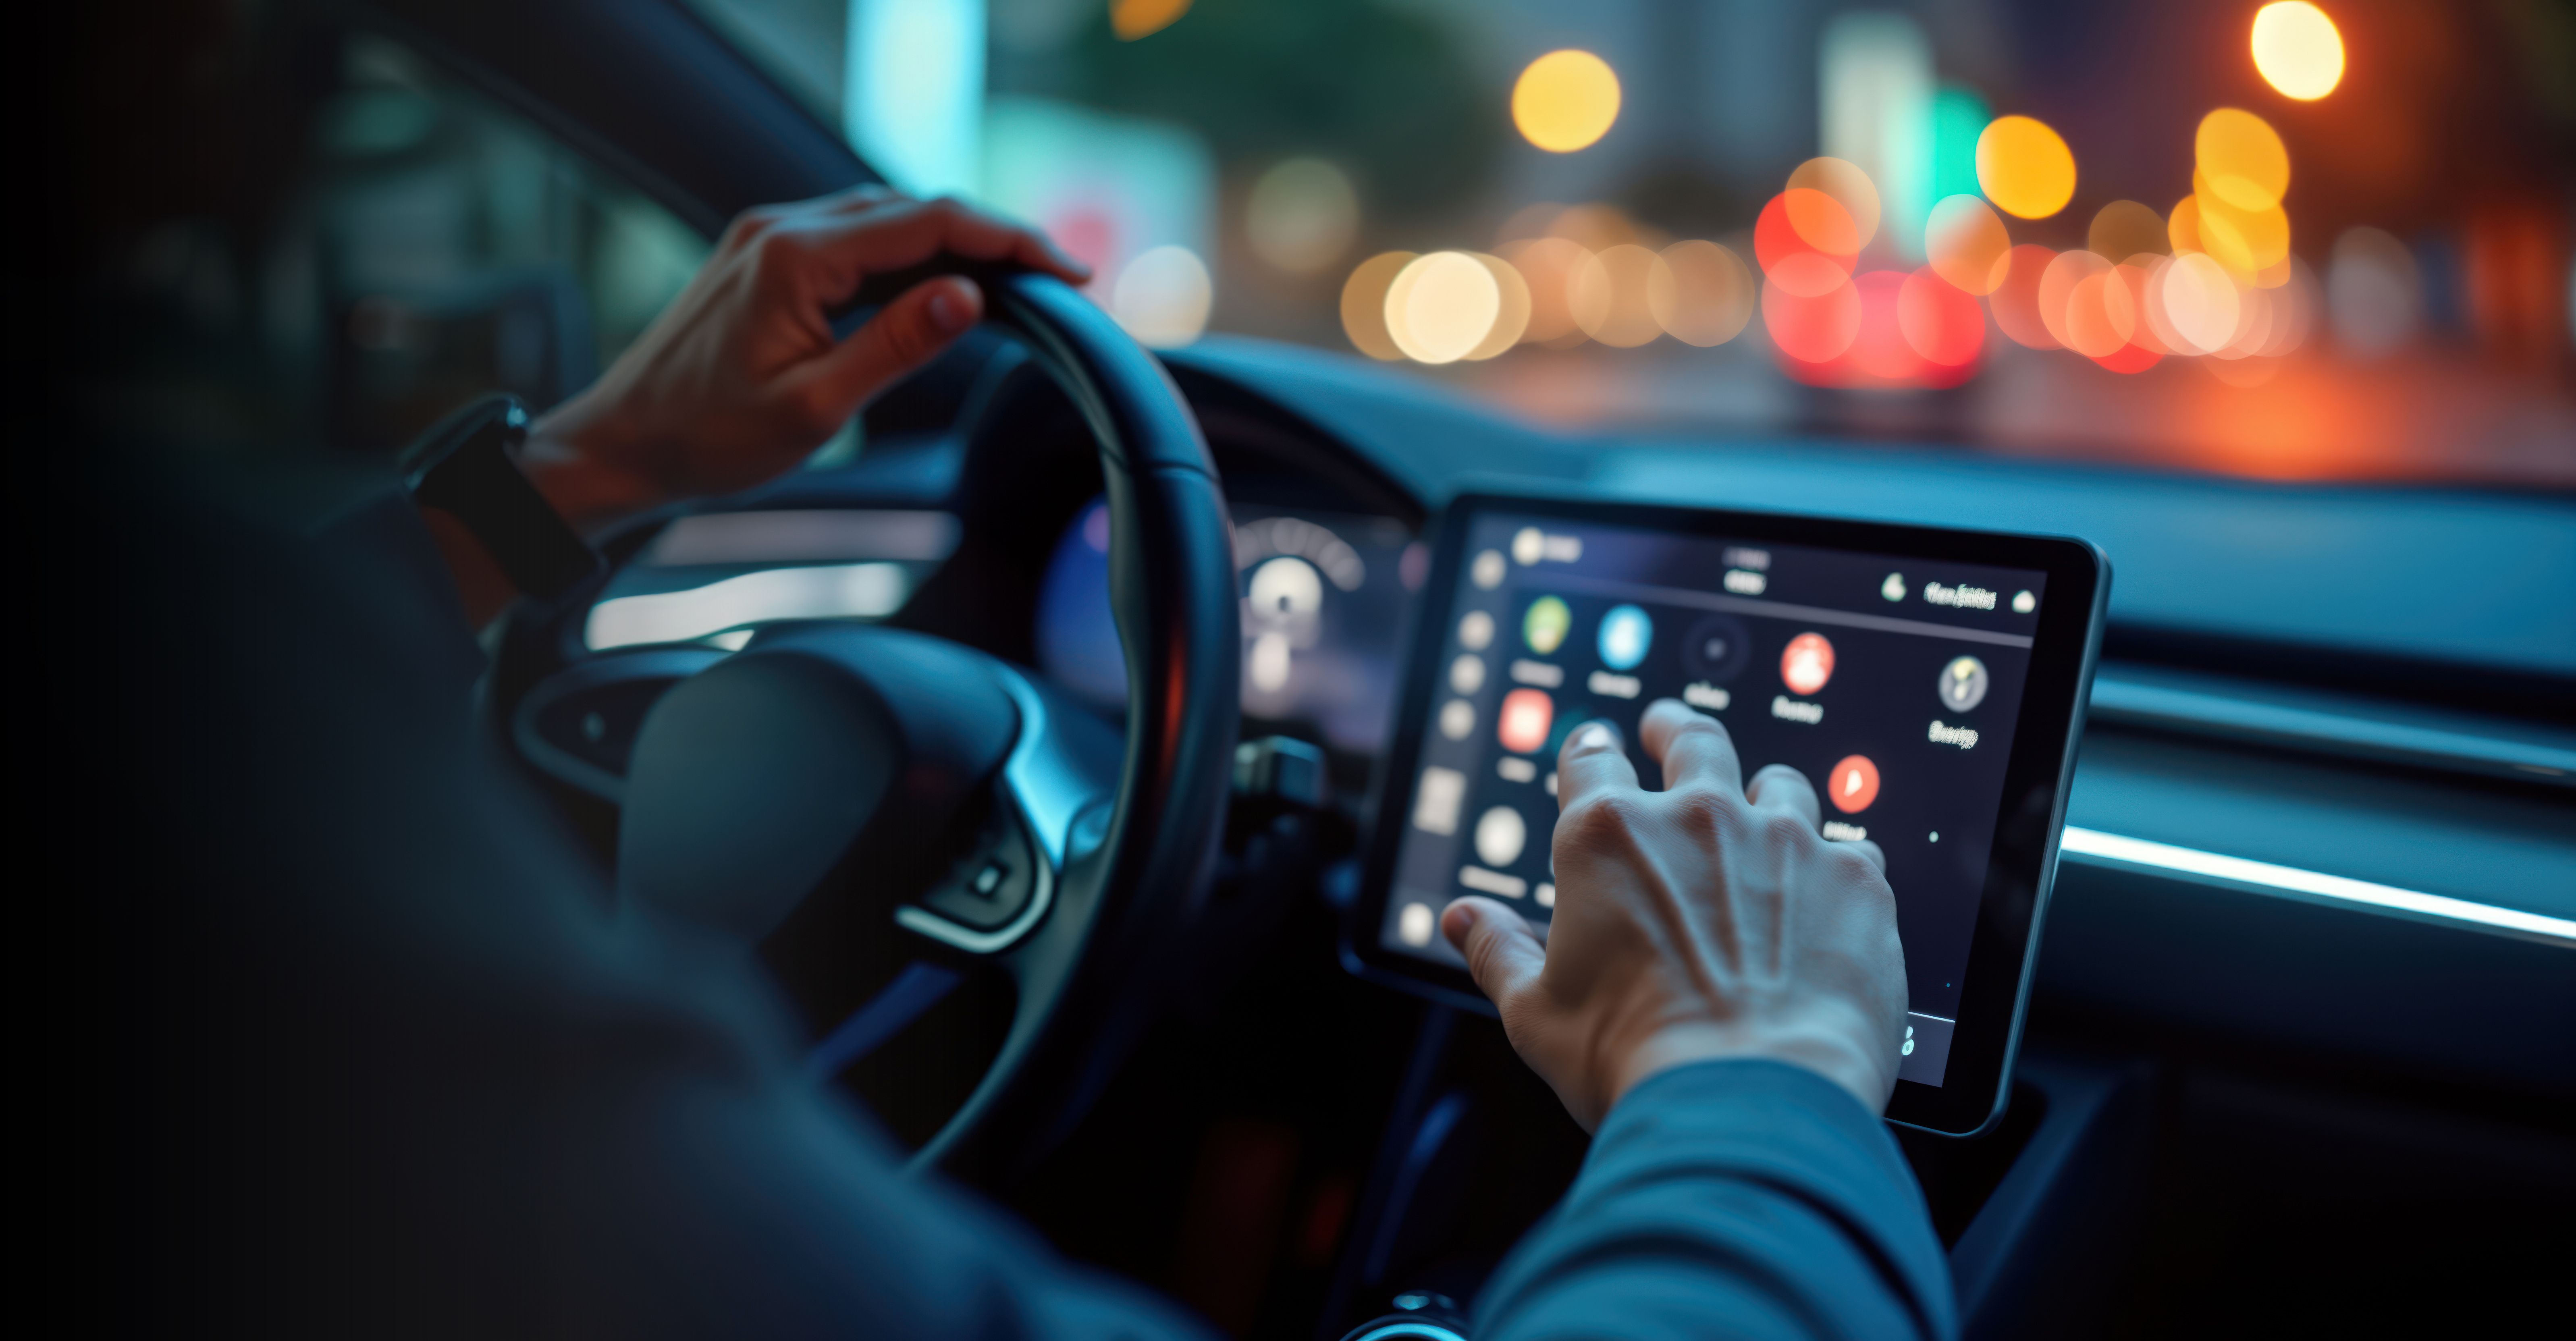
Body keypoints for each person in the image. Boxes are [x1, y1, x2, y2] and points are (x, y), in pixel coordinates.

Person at [63, 183, 1953, 1339]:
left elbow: (179, 696)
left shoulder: (170, 721)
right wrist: (1759, 1068)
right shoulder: (350, 995)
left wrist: (583, 473)